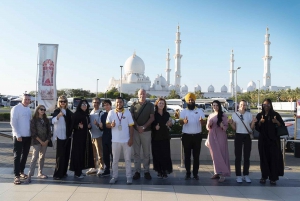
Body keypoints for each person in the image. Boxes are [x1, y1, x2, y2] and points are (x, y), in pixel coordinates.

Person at [255, 98, 284, 185]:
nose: (266, 106)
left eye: (268, 104)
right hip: (263, 141)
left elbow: (282, 126)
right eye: (264, 104)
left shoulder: (275, 115)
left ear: (271, 105)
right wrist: (260, 122)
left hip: (273, 141)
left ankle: (273, 178)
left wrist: (276, 122)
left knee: (274, 159)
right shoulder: (260, 115)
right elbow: (256, 127)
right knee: (264, 159)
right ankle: (264, 176)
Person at [106, 97, 134, 184]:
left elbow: (131, 126)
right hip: (115, 141)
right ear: (115, 103)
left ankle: (129, 177)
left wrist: (131, 138)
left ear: (123, 103)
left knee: (128, 160)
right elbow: (107, 125)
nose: (119, 104)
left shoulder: (127, 112)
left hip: (126, 140)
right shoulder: (111, 112)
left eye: (121, 102)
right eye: (117, 102)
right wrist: (111, 125)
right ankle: (114, 176)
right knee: (115, 160)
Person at [229, 100, 256, 183]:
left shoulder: (249, 115)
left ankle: (246, 175)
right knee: (238, 156)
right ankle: (238, 175)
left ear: (246, 106)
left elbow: (251, 128)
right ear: (238, 105)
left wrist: (254, 122)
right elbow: (234, 128)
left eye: (244, 105)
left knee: (246, 156)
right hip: (238, 135)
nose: (242, 106)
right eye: (241, 104)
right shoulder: (235, 114)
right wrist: (230, 123)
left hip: (247, 136)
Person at [179, 93, 205, 180]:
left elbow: (204, 123)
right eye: (189, 100)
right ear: (187, 101)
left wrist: (202, 122)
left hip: (197, 136)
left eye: (192, 100)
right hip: (186, 136)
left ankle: (195, 173)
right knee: (187, 156)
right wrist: (184, 122)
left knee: (196, 156)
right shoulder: (183, 111)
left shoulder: (200, 111)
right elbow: (180, 122)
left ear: (194, 101)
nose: (190, 101)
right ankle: (188, 172)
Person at [130, 89, 154, 180]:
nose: (142, 95)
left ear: (146, 95)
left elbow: (152, 118)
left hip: (146, 131)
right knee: (136, 153)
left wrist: (143, 127)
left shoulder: (150, 105)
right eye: (140, 94)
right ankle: (137, 171)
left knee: (146, 153)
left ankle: (146, 171)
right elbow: (131, 118)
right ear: (138, 95)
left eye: (143, 94)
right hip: (136, 131)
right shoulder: (133, 105)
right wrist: (138, 127)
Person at [206, 100, 231, 182]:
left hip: (220, 136)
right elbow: (207, 127)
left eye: (217, 105)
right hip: (212, 136)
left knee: (221, 154)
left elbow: (226, 127)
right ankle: (217, 172)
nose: (215, 107)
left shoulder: (223, 115)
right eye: (214, 105)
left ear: (219, 106)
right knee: (214, 155)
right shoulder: (210, 115)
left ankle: (223, 174)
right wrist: (209, 124)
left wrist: (222, 125)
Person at [69, 99, 94, 178]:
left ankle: (80, 170)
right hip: (78, 138)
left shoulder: (86, 114)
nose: (84, 106)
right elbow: (72, 126)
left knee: (83, 154)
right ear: (80, 105)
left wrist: (89, 126)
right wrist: (78, 126)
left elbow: (87, 126)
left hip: (86, 137)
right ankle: (77, 172)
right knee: (78, 154)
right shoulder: (76, 114)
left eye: (85, 105)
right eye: (82, 104)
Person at [26, 105, 51, 183]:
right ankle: (29, 175)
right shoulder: (34, 120)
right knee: (34, 157)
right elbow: (33, 133)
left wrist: (47, 140)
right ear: (37, 110)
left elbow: (49, 131)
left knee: (42, 157)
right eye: (41, 109)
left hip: (45, 141)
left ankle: (40, 172)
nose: (43, 111)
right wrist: (41, 141)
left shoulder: (46, 120)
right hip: (37, 141)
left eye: (44, 109)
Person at [10, 94, 32, 185]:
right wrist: (18, 134)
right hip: (18, 136)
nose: (27, 101)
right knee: (17, 155)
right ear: (22, 99)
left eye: (28, 99)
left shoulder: (29, 109)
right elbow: (13, 122)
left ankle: (21, 171)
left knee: (25, 155)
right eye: (25, 99)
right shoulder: (15, 108)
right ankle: (16, 175)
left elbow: (30, 122)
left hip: (28, 136)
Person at [151, 98, 173, 179]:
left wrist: (170, 124)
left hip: (165, 137)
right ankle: (159, 171)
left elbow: (170, 125)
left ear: (164, 105)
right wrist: (155, 127)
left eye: (163, 103)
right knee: (157, 155)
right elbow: (151, 125)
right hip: (156, 137)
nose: (161, 105)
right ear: (157, 104)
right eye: (160, 103)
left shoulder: (167, 114)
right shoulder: (153, 114)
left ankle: (165, 171)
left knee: (165, 155)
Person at [52, 95, 73, 180]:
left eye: (64, 101)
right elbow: (52, 121)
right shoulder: (56, 111)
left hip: (67, 136)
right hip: (59, 136)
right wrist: (58, 116)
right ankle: (58, 174)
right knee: (60, 156)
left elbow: (73, 120)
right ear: (59, 102)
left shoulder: (68, 111)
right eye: (61, 101)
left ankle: (64, 172)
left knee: (66, 155)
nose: (62, 103)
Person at [86, 98, 105, 175]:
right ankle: (93, 167)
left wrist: (97, 124)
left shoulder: (101, 113)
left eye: (97, 102)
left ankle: (101, 167)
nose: (95, 104)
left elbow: (102, 126)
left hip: (99, 136)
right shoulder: (91, 112)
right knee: (93, 153)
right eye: (94, 102)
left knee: (100, 153)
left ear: (99, 104)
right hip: (91, 135)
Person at [99, 99, 113, 177]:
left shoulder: (114, 113)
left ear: (110, 105)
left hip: (113, 137)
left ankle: (114, 170)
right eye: (105, 105)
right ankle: (107, 169)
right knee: (105, 154)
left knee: (113, 154)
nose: (106, 106)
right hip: (105, 137)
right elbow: (102, 128)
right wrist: (100, 126)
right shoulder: (103, 115)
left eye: (107, 104)